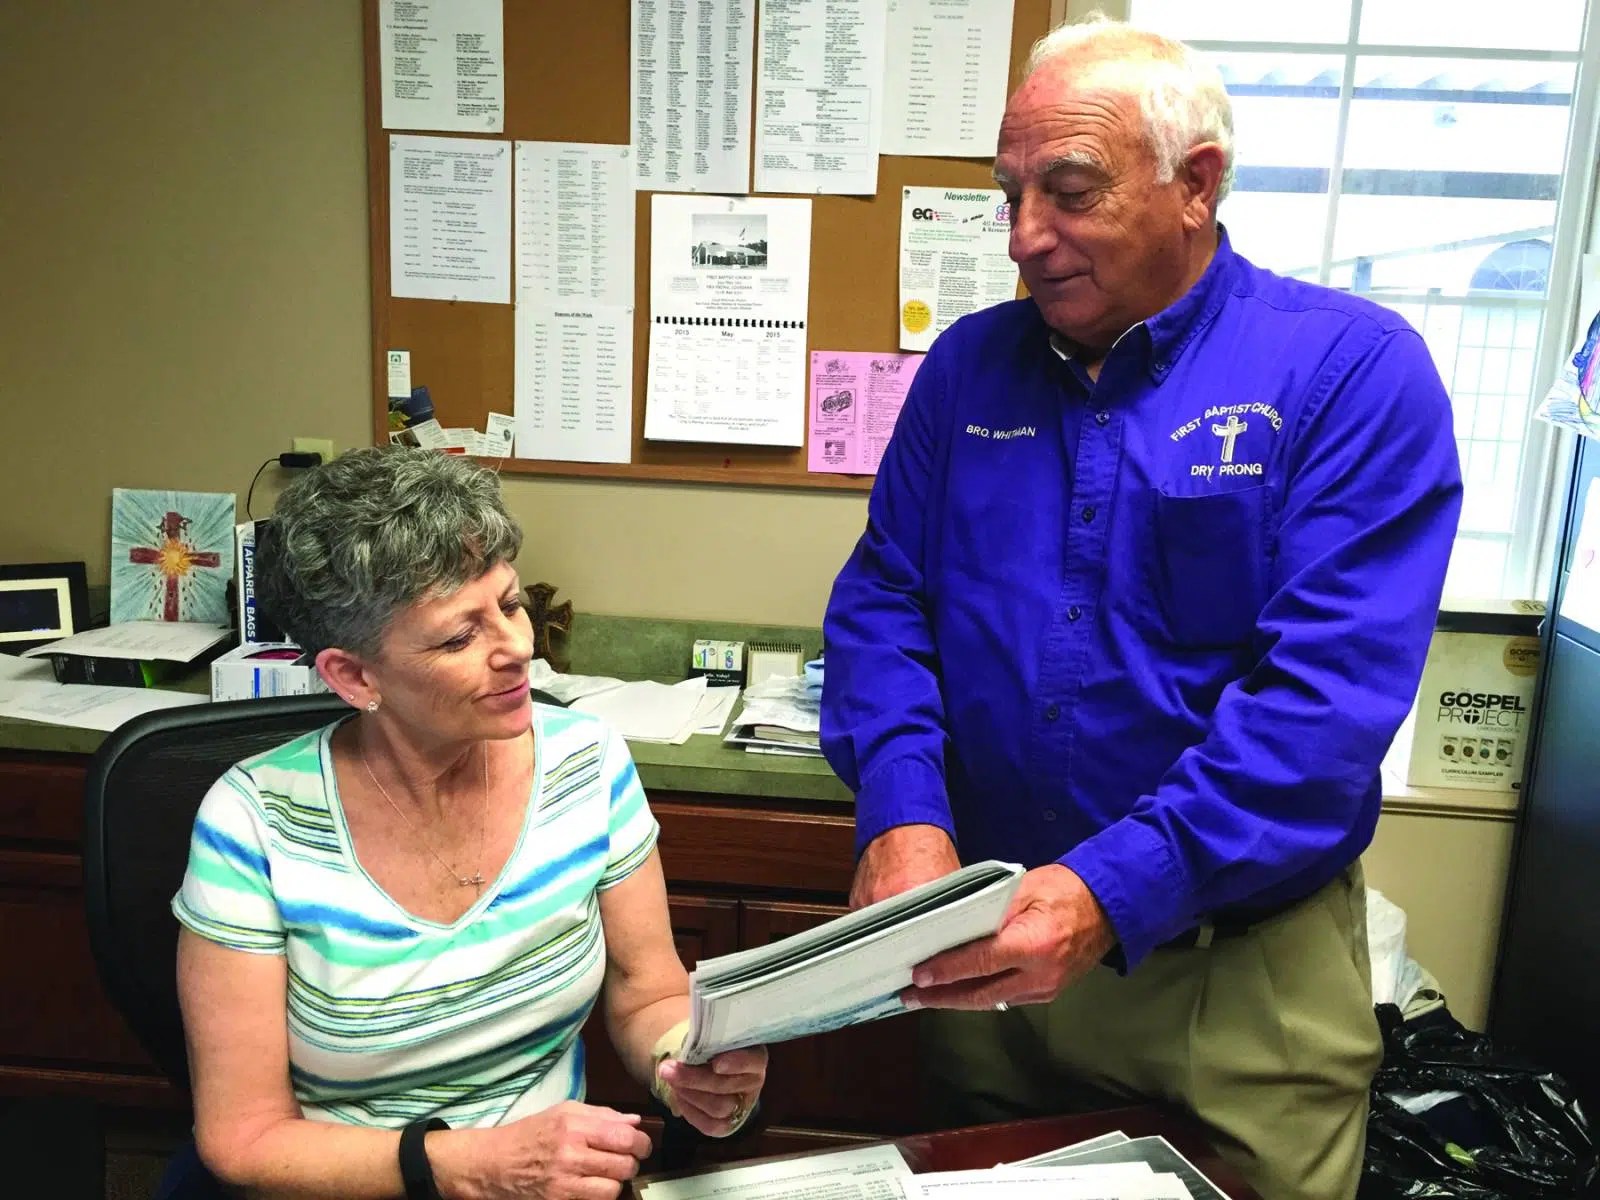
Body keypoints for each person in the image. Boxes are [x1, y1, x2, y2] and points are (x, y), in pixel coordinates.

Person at [821, 16, 1461, 1200]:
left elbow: (1317, 713)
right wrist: (902, 815)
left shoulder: (1350, 374)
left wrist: (1111, 891)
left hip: (1232, 983)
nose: (1026, 237)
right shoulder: (967, 370)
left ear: (1195, 185)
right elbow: (884, 607)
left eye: (1068, 191)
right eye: (1009, 194)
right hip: (988, 957)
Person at [171, 446, 766, 1200]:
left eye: (511, 605)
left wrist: (683, 1065)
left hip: (553, 1183)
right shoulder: (253, 824)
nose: (517, 649)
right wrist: (473, 1168)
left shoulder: (587, 762)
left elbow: (646, 991)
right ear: (353, 676)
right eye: (460, 638)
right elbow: (243, 1137)